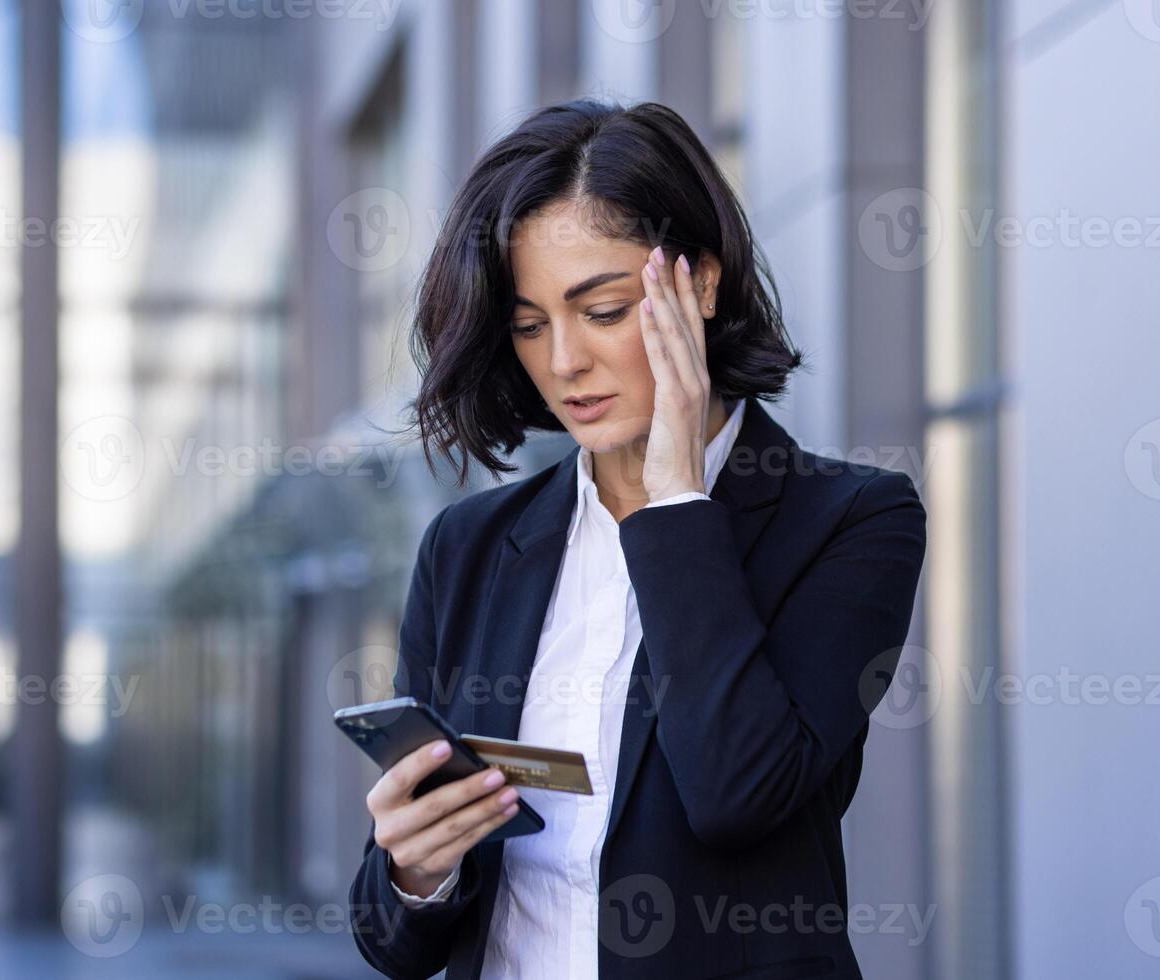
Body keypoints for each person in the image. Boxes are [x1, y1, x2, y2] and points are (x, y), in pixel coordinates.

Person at [347, 98, 927, 980]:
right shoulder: (467, 547)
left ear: (699, 283)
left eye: (605, 310)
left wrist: (674, 503)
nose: (563, 362)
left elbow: (738, 793)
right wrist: (416, 868)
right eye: (530, 324)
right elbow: (391, 941)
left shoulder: (851, 521)